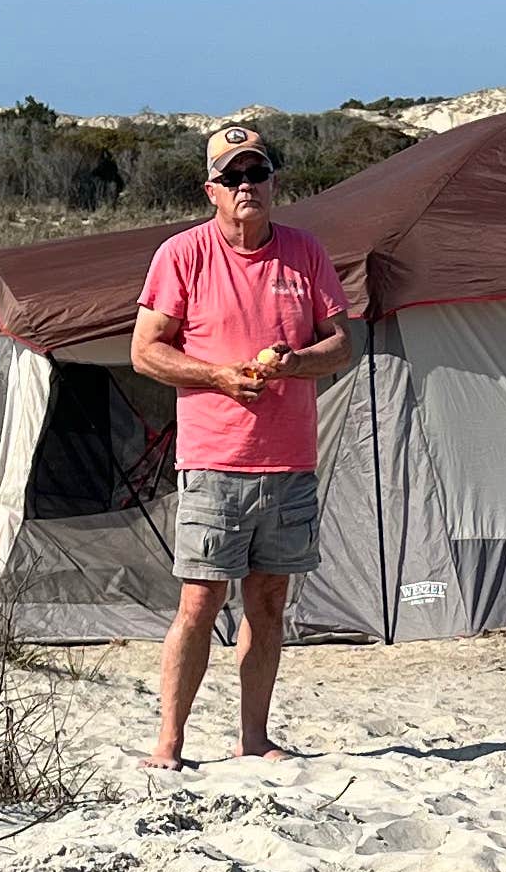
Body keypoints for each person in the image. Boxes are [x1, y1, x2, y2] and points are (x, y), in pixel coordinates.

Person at [130, 116, 355, 765]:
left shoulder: (305, 253)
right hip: (214, 462)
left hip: (289, 463)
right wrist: (220, 378)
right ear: (212, 190)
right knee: (200, 601)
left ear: (273, 181)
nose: (247, 184)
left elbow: (342, 344)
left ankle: (254, 740)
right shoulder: (182, 255)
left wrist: (294, 363)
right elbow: (146, 352)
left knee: (269, 603)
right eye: (234, 177)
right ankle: (169, 742)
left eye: (257, 172)